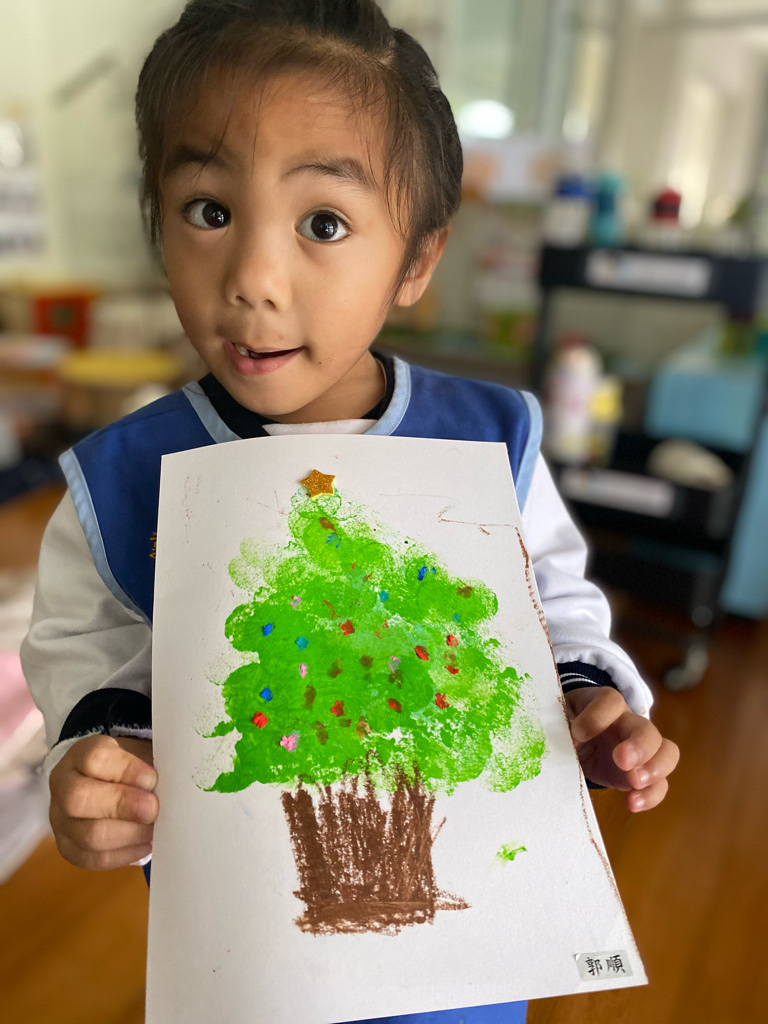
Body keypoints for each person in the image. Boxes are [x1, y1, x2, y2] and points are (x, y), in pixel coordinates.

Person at [21, 2, 679, 1022]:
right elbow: (82, 656)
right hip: (244, 964)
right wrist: (95, 764)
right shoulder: (118, 478)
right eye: (207, 210)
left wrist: (590, 700)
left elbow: (554, 607)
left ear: (416, 260)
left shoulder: (488, 441)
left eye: (323, 223)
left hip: (467, 963)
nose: (253, 279)